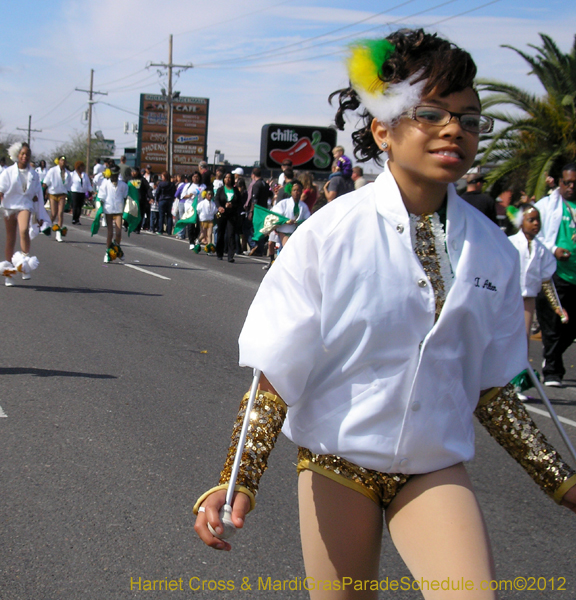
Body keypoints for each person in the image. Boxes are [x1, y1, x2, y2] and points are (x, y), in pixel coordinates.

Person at [194, 28, 576, 596]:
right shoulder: (329, 234)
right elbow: (276, 372)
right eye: (432, 113)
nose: (455, 130)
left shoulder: (493, 248)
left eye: (470, 120)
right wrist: (236, 480)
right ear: (382, 130)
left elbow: (493, 392)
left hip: (432, 468)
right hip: (337, 462)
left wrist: (563, 481)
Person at [534, 163, 576, 386]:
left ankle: (552, 358)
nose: (570, 187)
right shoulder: (546, 206)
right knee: (553, 324)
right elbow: (532, 232)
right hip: (555, 274)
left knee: (571, 327)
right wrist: (554, 249)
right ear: (559, 182)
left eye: (574, 183)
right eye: (566, 182)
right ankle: (552, 371)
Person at [0, 142, 47, 286]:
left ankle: (25, 265)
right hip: (9, 207)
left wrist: (39, 216)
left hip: (25, 206)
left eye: (27, 154)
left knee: (24, 230)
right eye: (22, 154)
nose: (25, 157)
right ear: (17, 155)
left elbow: (37, 196)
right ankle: (9, 273)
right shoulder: (8, 172)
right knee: (10, 239)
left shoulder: (34, 174)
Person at [508, 203, 567, 346]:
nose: (536, 223)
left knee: (524, 338)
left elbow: (546, 281)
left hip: (528, 300)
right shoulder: (509, 243)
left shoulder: (542, 250)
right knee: (506, 336)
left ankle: (522, 367)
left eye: (538, 220)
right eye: (531, 220)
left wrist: (557, 307)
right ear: (520, 222)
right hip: (508, 298)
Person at [96, 165, 128, 263]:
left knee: (118, 233)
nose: (113, 177)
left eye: (115, 175)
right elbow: (100, 197)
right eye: (112, 175)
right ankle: (107, 251)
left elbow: (125, 197)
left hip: (118, 210)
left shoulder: (123, 185)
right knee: (110, 233)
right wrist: (99, 208)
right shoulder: (105, 184)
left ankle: (116, 249)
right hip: (108, 210)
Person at [214, 172, 243, 262]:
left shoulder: (235, 190)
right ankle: (219, 253)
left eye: (230, 178)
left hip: (232, 215)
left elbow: (239, 202)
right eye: (226, 178)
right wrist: (220, 207)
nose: (228, 179)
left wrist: (232, 205)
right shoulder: (220, 189)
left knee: (231, 234)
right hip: (222, 214)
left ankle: (231, 255)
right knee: (220, 233)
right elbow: (217, 199)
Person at [272, 179, 311, 247]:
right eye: (294, 190)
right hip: (285, 231)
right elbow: (275, 215)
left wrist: (299, 222)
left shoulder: (303, 206)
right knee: (287, 249)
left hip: (297, 233)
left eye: (298, 190)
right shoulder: (284, 203)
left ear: (301, 192)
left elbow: (307, 219)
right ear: (290, 191)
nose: (296, 192)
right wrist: (286, 221)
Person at [43, 155, 72, 242]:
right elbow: (46, 181)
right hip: (53, 194)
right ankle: (48, 226)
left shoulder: (67, 173)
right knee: (54, 213)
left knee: (60, 213)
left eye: (64, 161)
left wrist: (68, 193)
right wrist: (43, 190)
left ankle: (58, 233)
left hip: (62, 194)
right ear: (58, 161)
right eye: (61, 160)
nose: (63, 162)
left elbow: (69, 185)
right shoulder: (52, 170)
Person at [70, 161, 92, 225]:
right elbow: (69, 183)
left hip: (82, 192)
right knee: (75, 205)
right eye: (81, 167)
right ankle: (74, 219)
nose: (83, 168)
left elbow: (88, 184)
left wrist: (90, 190)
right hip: (75, 191)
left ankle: (77, 219)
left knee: (80, 206)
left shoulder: (85, 175)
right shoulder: (72, 174)